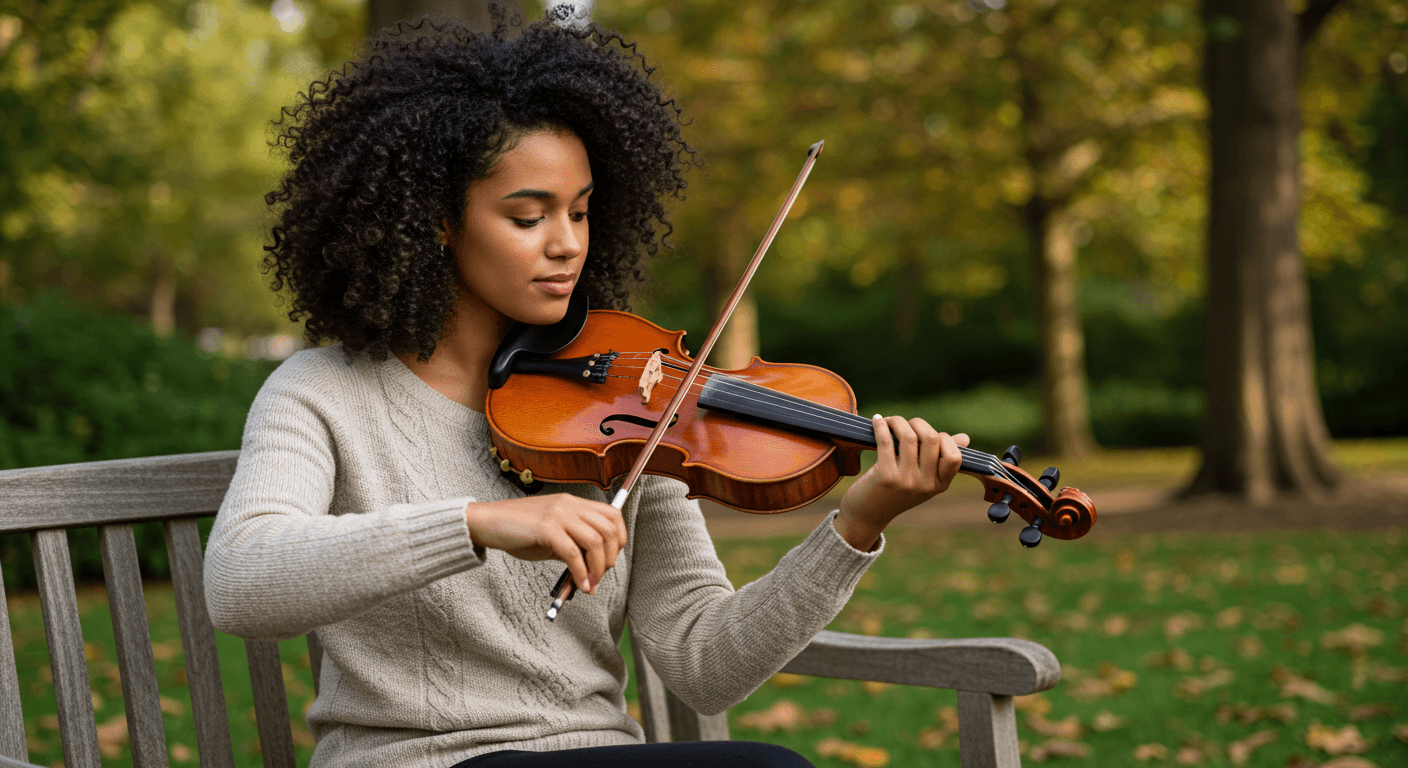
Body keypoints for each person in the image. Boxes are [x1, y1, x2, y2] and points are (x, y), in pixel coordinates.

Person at [204, 9, 970, 768]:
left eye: (580, 210)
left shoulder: (634, 404)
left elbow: (707, 663)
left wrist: (858, 524)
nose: (566, 243)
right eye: (527, 216)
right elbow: (241, 581)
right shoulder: (323, 393)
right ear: (437, 220)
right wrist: (479, 523)